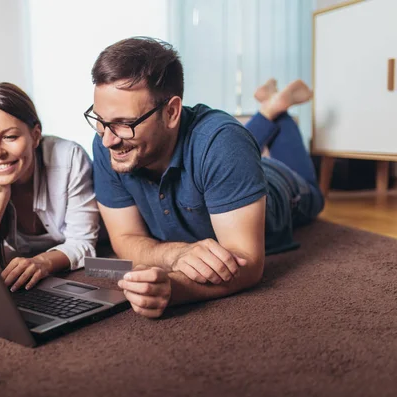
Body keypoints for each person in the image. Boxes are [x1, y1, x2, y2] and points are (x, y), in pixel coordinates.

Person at [86, 37, 324, 318]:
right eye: (100, 120)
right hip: (223, 165)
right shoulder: (108, 143)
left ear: (172, 112)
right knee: (225, 150)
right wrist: (175, 254)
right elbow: (125, 238)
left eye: (125, 123)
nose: (107, 140)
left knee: (313, 193)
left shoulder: (225, 144)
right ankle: (270, 106)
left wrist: (174, 288)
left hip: (282, 188)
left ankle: (277, 111)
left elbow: (247, 262)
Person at [0, 83, 99, 292]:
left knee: (118, 269)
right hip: (28, 278)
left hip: (92, 262)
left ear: (35, 135)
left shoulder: (68, 158)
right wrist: (0, 194)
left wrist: (43, 262)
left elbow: (83, 244)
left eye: (10, 137)